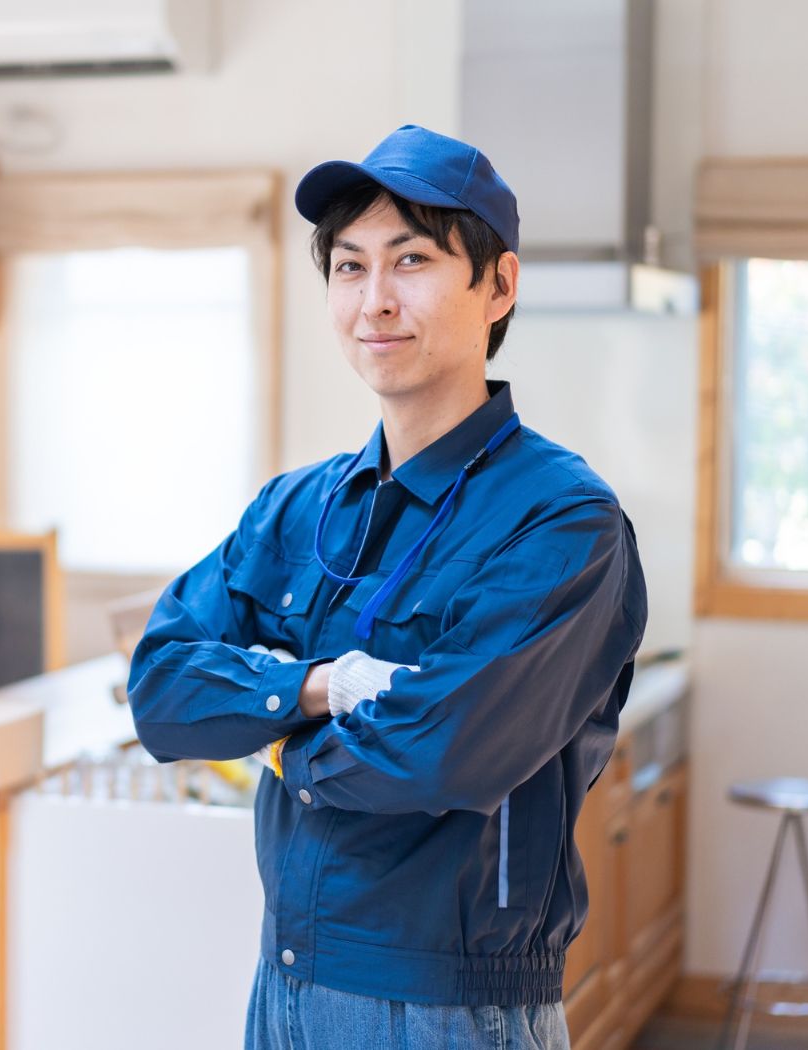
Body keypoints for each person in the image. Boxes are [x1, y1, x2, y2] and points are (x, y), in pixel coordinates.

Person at [127, 124, 647, 1050]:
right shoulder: (296, 510)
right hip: (284, 986)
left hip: (450, 1010)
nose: (375, 302)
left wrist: (267, 738)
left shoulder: (562, 524)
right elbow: (162, 693)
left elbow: (440, 755)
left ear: (499, 286)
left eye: (411, 261)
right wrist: (315, 690)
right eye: (350, 268)